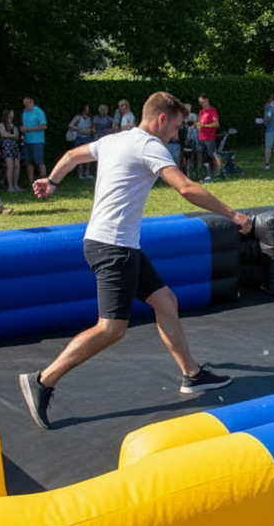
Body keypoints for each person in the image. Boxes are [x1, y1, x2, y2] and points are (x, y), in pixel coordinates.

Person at [17, 92, 254, 429]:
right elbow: (186, 188)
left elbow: (70, 156)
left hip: (110, 242)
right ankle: (43, 380)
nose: (175, 134)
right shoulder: (149, 145)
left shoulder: (115, 140)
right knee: (111, 329)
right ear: (161, 119)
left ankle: (192, 374)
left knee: (165, 301)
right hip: (114, 248)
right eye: (175, 126)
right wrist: (233, 214)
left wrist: (52, 182)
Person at [20, 95, 48, 186]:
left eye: (27, 103)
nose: (26, 105)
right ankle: (31, 182)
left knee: (39, 162)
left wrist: (29, 129)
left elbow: (44, 126)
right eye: (24, 103)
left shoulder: (38, 112)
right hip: (27, 141)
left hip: (37, 141)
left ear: (32, 101)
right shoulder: (24, 112)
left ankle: (44, 181)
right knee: (28, 163)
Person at [196, 94, 220, 181]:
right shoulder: (201, 112)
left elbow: (217, 124)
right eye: (199, 102)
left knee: (211, 155)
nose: (201, 103)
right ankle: (207, 174)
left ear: (206, 100)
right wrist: (198, 125)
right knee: (204, 156)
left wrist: (205, 125)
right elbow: (199, 123)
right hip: (201, 137)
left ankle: (216, 173)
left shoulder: (212, 111)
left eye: (202, 101)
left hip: (209, 137)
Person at [0, 109, 22, 193]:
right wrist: (12, 135)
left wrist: (10, 135)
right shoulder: (2, 125)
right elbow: (3, 134)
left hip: (14, 145)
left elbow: (17, 135)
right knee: (10, 166)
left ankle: (16, 184)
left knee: (17, 165)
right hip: (7, 146)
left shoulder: (14, 125)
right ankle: (10, 186)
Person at [68, 103, 93, 180]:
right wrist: (79, 129)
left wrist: (89, 130)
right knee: (79, 156)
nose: (87, 111)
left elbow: (92, 127)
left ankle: (87, 173)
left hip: (88, 137)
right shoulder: (78, 117)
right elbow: (71, 125)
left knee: (88, 156)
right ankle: (80, 174)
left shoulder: (90, 117)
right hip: (79, 138)